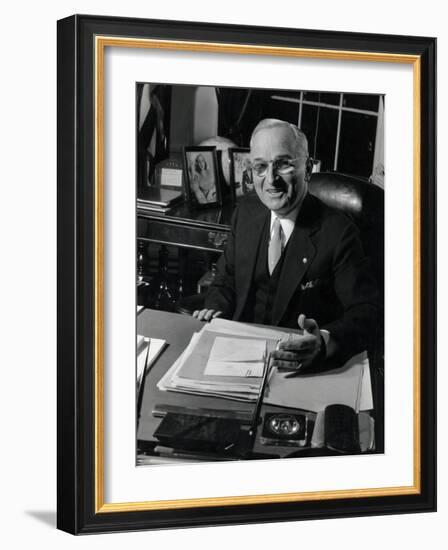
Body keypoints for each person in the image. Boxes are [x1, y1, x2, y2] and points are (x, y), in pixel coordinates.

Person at [193, 119, 379, 373]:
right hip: (237, 358)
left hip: (302, 367)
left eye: (283, 165)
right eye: (260, 167)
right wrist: (215, 311)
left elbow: (367, 312)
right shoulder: (246, 213)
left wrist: (324, 341)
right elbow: (226, 279)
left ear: (309, 169)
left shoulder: (339, 232)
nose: (271, 180)